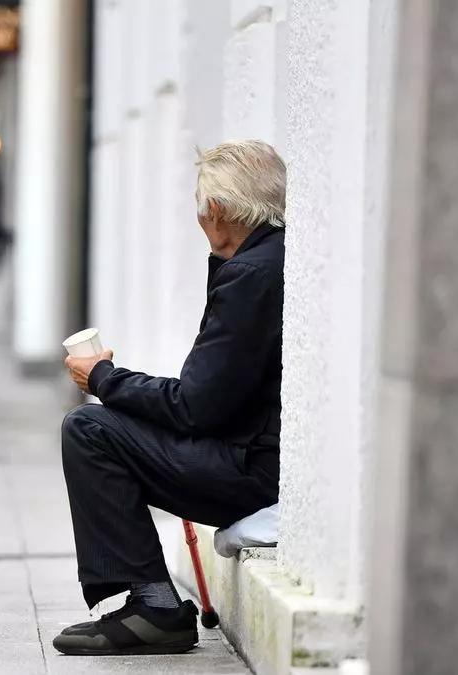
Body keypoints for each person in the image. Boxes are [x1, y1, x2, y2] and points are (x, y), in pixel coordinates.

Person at [53, 140, 286, 656]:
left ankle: (154, 608)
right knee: (111, 420)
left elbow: (195, 406)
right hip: (258, 450)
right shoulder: (271, 259)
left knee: (89, 430)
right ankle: (151, 602)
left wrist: (105, 379)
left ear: (218, 210)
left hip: (253, 469)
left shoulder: (252, 274)